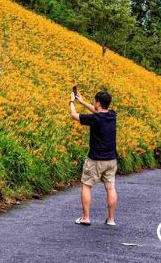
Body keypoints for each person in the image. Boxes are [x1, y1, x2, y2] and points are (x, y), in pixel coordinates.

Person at [69, 89, 118, 226]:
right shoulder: (112, 115)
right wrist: (83, 101)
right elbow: (97, 111)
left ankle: (86, 217)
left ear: (98, 102)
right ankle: (111, 220)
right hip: (111, 160)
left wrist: (71, 101)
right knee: (110, 188)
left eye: (94, 101)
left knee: (86, 185)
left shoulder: (94, 119)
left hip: (96, 159)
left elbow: (73, 115)